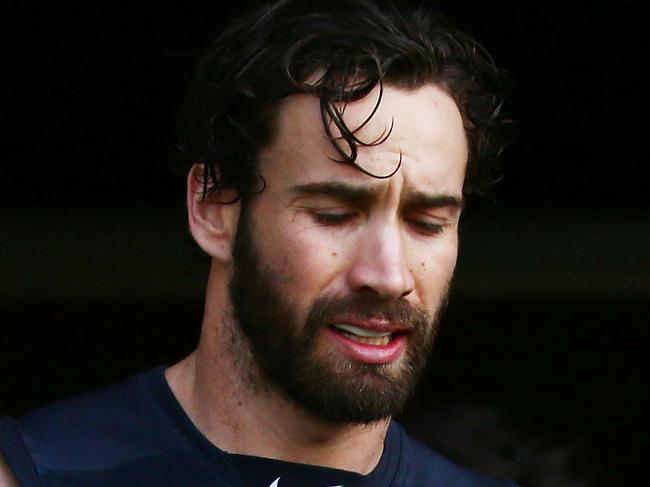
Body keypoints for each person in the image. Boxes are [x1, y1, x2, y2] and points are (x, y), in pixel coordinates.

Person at [0, 0, 514, 485]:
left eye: (427, 222)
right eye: (334, 215)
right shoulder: (40, 471)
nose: (388, 274)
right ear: (214, 206)